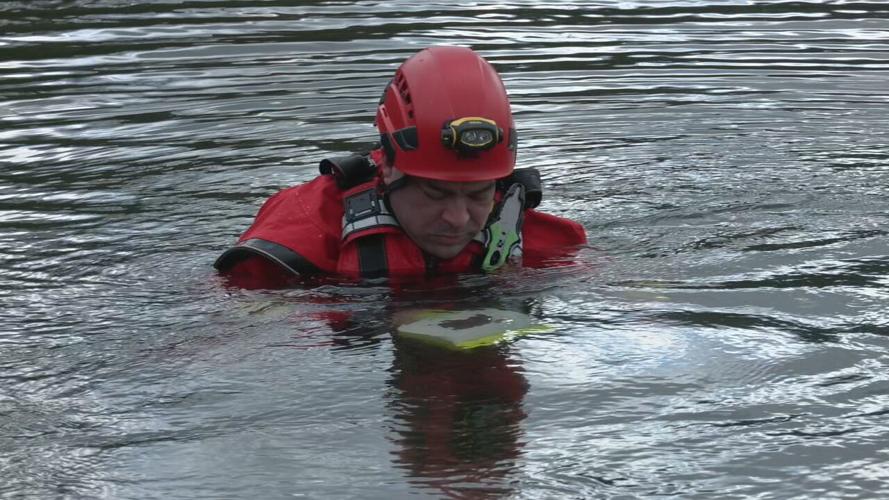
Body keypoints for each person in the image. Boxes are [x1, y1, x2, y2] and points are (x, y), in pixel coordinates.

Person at [214, 46, 586, 288]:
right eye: (436, 192)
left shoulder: (522, 228)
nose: (458, 218)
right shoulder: (296, 239)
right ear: (388, 167)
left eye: (477, 194)